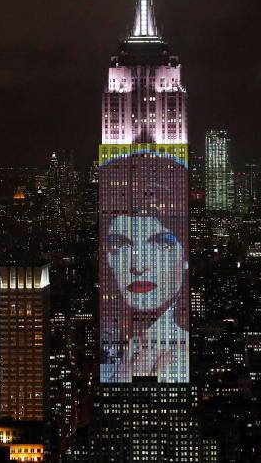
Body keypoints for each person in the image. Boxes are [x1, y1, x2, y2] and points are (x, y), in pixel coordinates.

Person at [99, 150, 189, 383]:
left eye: (161, 243)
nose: (138, 266)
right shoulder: (118, 351)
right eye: (119, 245)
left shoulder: (177, 363)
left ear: (185, 256)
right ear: (107, 259)